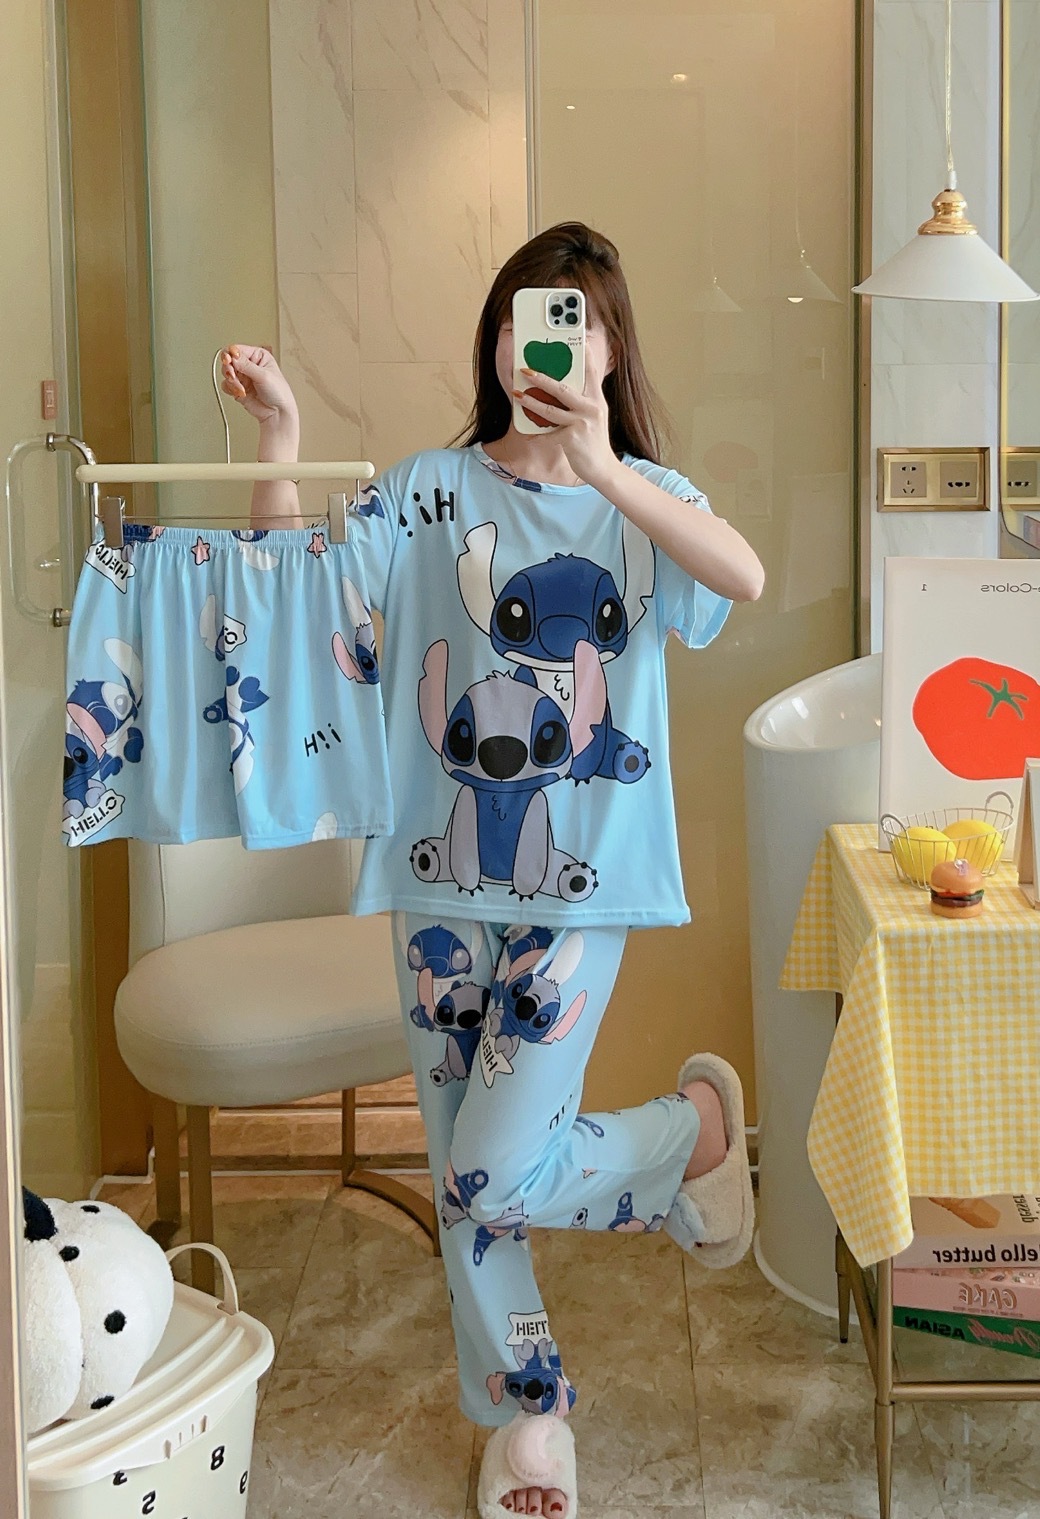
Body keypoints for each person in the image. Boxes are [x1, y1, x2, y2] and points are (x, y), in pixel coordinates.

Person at [222, 221, 764, 1519]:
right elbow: (291, 595)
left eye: (576, 324)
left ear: (610, 350)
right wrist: (282, 437)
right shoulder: (426, 493)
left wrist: (606, 467)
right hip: (435, 884)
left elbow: (742, 577)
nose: (546, 348)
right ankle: (531, 1416)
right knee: (469, 1170)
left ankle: (690, 1134)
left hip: (585, 886)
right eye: (527, 320)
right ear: (498, 339)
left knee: (486, 1171)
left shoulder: (646, 498)